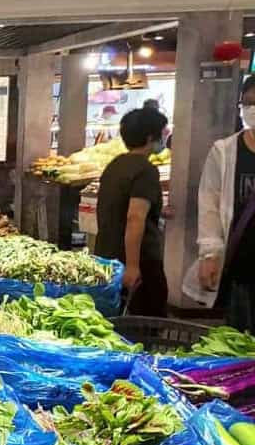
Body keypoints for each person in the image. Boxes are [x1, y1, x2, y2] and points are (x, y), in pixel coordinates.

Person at [186, 75, 255, 330]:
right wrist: (210, 253)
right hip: (241, 265)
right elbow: (209, 204)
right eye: (248, 103)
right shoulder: (225, 151)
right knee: (239, 338)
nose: (252, 109)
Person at [94, 106, 169, 316]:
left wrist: (159, 210)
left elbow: (120, 204)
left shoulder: (115, 165)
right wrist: (133, 266)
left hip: (107, 254)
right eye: (162, 133)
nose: (165, 138)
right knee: (144, 320)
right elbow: (135, 217)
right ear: (150, 137)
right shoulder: (145, 170)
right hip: (138, 260)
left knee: (112, 318)